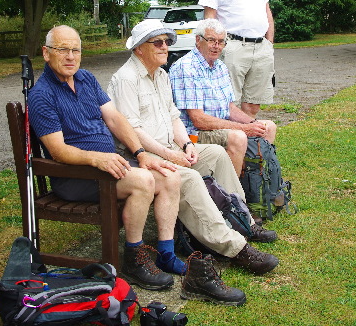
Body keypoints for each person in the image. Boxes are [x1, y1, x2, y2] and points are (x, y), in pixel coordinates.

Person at [107, 20, 279, 303]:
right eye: (158, 43)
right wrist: (170, 154)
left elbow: (174, 117)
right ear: (139, 49)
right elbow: (132, 131)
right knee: (189, 178)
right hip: (143, 158)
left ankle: (244, 222)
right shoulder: (126, 79)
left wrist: (186, 144)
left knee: (217, 155)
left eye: (167, 42)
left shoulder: (159, 75)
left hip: (171, 147)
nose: (166, 48)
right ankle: (235, 248)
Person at [28, 25, 182, 291]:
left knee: (169, 176)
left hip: (108, 167)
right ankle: (134, 258)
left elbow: (114, 118)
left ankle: (166, 253)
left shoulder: (86, 79)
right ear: (46, 53)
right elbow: (57, 151)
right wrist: (96, 159)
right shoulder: (42, 95)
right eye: (62, 49)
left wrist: (140, 153)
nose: (70, 56)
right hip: (76, 176)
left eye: (75, 50)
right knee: (143, 181)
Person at [168, 18, 277, 176]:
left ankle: (257, 184)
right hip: (193, 134)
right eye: (211, 40)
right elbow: (198, 119)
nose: (216, 46)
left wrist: (253, 124)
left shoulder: (220, 67)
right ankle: (232, 194)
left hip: (219, 128)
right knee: (238, 136)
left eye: (221, 42)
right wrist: (244, 128)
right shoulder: (186, 68)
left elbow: (230, 108)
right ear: (198, 40)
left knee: (267, 127)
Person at [198, 0, 275, 119]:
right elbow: (210, 17)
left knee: (253, 103)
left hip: (261, 48)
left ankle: (249, 144)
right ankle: (233, 144)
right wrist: (213, 48)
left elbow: (267, 10)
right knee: (229, 103)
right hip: (232, 47)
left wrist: (269, 44)